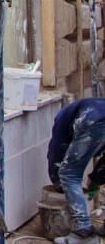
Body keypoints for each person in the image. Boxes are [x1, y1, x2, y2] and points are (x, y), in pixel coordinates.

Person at [48, 97, 105, 243]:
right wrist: (95, 178)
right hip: (97, 118)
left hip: (94, 119)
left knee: (69, 174)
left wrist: (56, 180)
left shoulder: (61, 121)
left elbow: (56, 152)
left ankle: (83, 233)